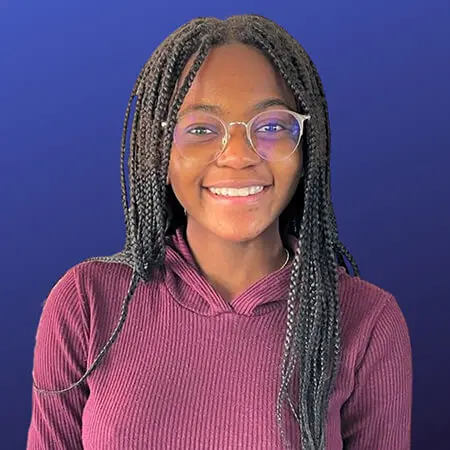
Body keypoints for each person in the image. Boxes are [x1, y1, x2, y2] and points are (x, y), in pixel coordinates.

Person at [27, 14, 412, 450]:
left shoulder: (367, 321)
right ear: (160, 154)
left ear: (306, 149)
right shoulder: (88, 303)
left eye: (270, 126)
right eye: (201, 130)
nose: (238, 156)